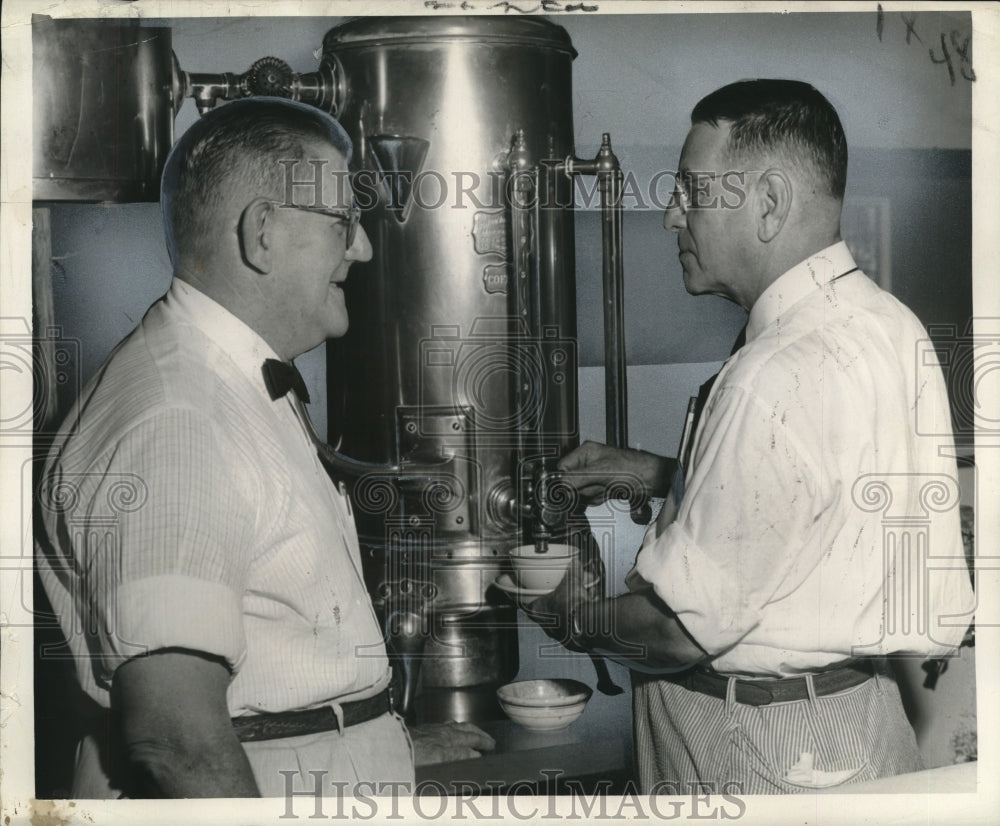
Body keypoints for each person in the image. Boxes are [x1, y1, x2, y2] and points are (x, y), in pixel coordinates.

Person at [35, 97, 493, 799]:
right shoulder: (177, 420)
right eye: (343, 222)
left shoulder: (224, 379)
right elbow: (176, 739)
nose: (364, 247)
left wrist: (371, 746)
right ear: (263, 234)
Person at [528, 79, 976, 794]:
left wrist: (570, 618)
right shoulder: (887, 323)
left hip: (757, 750)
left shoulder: (773, 374)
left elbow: (680, 629)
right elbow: (822, 500)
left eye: (692, 192)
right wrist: (662, 474)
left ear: (768, 203)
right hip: (859, 723)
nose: (673, 215)